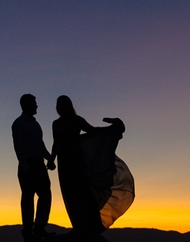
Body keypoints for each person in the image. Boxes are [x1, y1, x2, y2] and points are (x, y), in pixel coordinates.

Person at [51, 95, 134, 234]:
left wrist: (111, 130)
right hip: (65, 162)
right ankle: (80, 225)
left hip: (76, 161)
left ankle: (89, 224)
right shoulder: (57, 123)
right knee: (71, 193)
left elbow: (93, 131)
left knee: (81, 191)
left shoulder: (75, 120)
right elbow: (56, 143)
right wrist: (52, 159)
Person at [11, 94, 55, 242]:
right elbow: (18, 147)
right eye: (34, 103)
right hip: (28, 165)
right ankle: (29, 230)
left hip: (38, 164)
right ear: (25, 105)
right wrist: (26, 166)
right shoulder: (19, 123)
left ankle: (39, 228)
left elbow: (40, 146)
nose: (36, 106)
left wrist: (49, 158)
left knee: (45, 195)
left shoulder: (35, 124)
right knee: (28, 198)